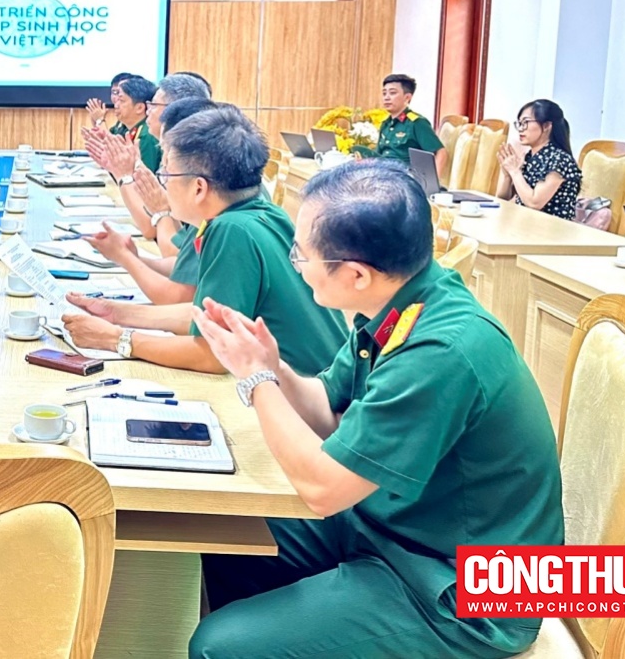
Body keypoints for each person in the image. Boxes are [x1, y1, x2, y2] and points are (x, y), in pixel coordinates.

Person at [188, 161, 563, 659]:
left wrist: (257, 381)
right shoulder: (404, 302)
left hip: (462, 593)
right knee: (226, 532)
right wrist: (273, 365)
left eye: (303, 253)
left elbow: (323, 489)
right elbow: (325, 407)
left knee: (220, 647)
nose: (295, 261)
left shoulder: (440, 351)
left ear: (356, 274)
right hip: (393, 530)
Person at [62, 106, 346, 374]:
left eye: (166, 172)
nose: (162, 181)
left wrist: (116, 339)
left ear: (199, 188)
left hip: (309, 398)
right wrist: (116, 313)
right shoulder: (261, 212)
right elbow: (207, 316)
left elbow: (211, 355)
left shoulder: (231, 230)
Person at [84, 95, 217, 305]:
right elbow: (182, 264)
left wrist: (160, 212)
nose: (148, 110)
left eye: (153, 105)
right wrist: (130, 258)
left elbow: (178, 297)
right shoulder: (215, 199)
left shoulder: (225, 220)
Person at [497, 98, 581, 220]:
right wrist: (507, 175)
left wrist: (515, 172)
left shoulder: (559, 159)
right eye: (519, 123)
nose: (521, 128)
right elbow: (502, 200)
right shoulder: (530, 156)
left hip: (552, 231)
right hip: (525, 224)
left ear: (546, 125)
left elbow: (534, 203)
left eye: (526, 122)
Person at [363, 74, 445, 174]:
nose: (386, 98)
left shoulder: (416, 123)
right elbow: (379, 156)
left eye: (392, 93)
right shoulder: (385, 124)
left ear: (407, 97)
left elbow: (441, 153)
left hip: (404, 179)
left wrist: (431, 184)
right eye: (384, 93)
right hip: (382, 176)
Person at [113, 75, 162, 171]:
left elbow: (145, 177)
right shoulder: (129, 128)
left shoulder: (146, 136)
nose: (116, 105)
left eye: (122, 100)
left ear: (139, 108)